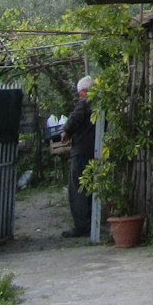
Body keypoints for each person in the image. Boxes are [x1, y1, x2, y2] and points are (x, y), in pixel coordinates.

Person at [62, 75, 96, 238]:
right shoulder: (100, 104)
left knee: (78, 189)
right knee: (90, 190)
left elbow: (73, 120)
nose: (79, 97)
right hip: (94, 151)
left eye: (79, 93)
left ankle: (81, 226)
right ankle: (91, 222)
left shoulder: (85, 103)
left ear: (84, 91)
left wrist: (66, 132)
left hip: (81, 152)